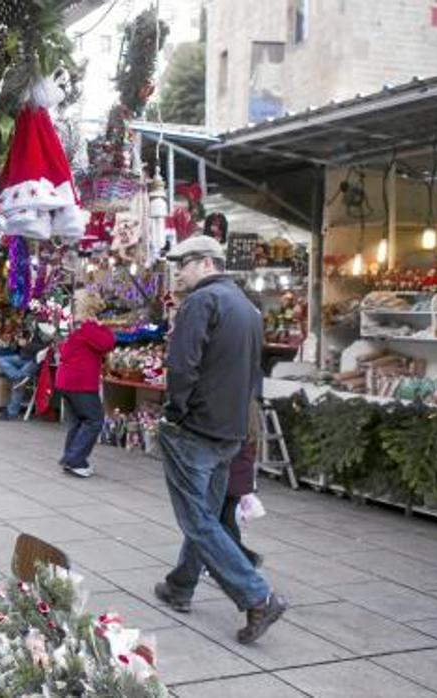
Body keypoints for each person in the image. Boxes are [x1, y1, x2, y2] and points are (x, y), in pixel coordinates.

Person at [155, 235, 288, 646]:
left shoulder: (202, 301)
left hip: (197, 428)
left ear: (206, 263)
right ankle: (180, 585)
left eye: (183, 265)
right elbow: (252, 371)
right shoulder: (245, 306)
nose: (179, 273)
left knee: (196, 518)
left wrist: (175, 411)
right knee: (206, 515)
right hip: (229, 428)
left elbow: (181, 364)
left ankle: (257, 595)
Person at [54, 290, 114, 477]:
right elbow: (107, 343)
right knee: (94, 420)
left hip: (67, 380)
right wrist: (102, 327)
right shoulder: (88, 327)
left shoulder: (78, 327)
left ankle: (70, 457)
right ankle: (75, 460)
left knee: (78, 421)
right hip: (80, 382)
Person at [222, 398, 263, 568]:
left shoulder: (235, 430)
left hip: (229, 480)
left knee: (217, 522)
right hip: (240, 481)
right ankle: (237, 558)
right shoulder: (251, 427)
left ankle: (244, 556)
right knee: (227, 519)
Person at [0, 325, 49, 421]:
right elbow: (21, 348)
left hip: (34, 361)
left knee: (18, 382)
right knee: (0, 360)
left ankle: (12, 412)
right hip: (23, 358)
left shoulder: (45, 329)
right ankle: (17, 375)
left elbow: (46, 348)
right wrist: (14, 343)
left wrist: (26, 344)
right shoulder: (31, 329)